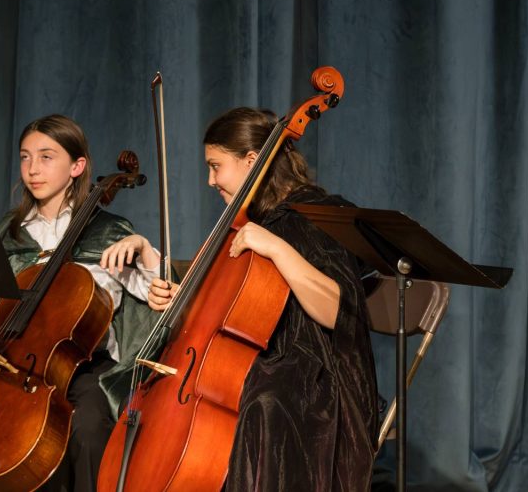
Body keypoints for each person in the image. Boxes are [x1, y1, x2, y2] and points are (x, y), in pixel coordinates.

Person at [104, 106, 379, 490]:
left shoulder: (315, 215)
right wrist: (183, 298)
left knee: (263, 403)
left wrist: (278, 249)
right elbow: (244, 310)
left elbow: (336, 311)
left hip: (314, 374)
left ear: (252, 161)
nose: (209, 179)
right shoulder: (253, 219)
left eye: (216, 166)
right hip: (262, 359)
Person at [0, 114, 158, 492]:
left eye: (47, 157)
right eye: (25, 157)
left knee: (90, 431)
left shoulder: (108, 231)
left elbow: (157, 294)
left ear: (77, 166)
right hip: (14, 365)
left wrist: (144, 250)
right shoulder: (10, 231)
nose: (32, 169)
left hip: (84, 367)